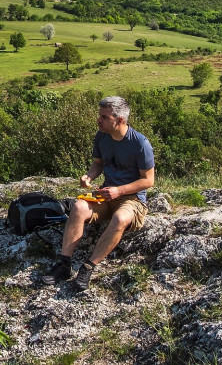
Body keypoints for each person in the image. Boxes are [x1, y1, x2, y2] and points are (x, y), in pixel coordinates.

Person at [42, 95, 155, 291]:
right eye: (99, 115)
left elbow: (148, 180)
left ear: (119, 120)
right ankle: (64, 264)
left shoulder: (140, 143)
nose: (98, 120)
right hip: (105, 194)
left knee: (120, 219)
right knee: (78, 207)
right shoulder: (102, 136)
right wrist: (89, 177)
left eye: (104, 117)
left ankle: (88, 267)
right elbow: (98, 164)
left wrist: (119, 190)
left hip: (132, 199)